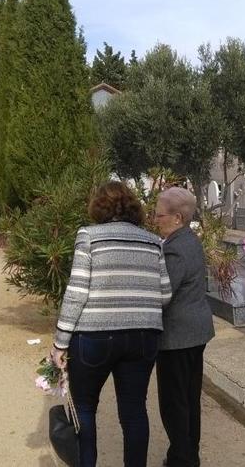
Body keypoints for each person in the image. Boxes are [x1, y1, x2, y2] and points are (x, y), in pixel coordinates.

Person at [50, 181, 172, 467]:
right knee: (133, 411)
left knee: (84, 408)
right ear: (133, 207)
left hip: (95, 336)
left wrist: (60, 342)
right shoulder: (153, 241)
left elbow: (77, 292)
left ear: (98, 207)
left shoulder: (89, 236)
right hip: (143, 337)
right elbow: (165, 293)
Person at [154, 187, 215, 467]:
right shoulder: (188, 239)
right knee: (188, 399)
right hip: (194, 331)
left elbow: (163, 292)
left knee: (174, 403)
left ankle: (184, 459)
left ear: (177, 217)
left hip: (178, 336)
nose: (155, 219)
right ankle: (185, 453)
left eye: (159, 215)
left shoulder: (176, 248)